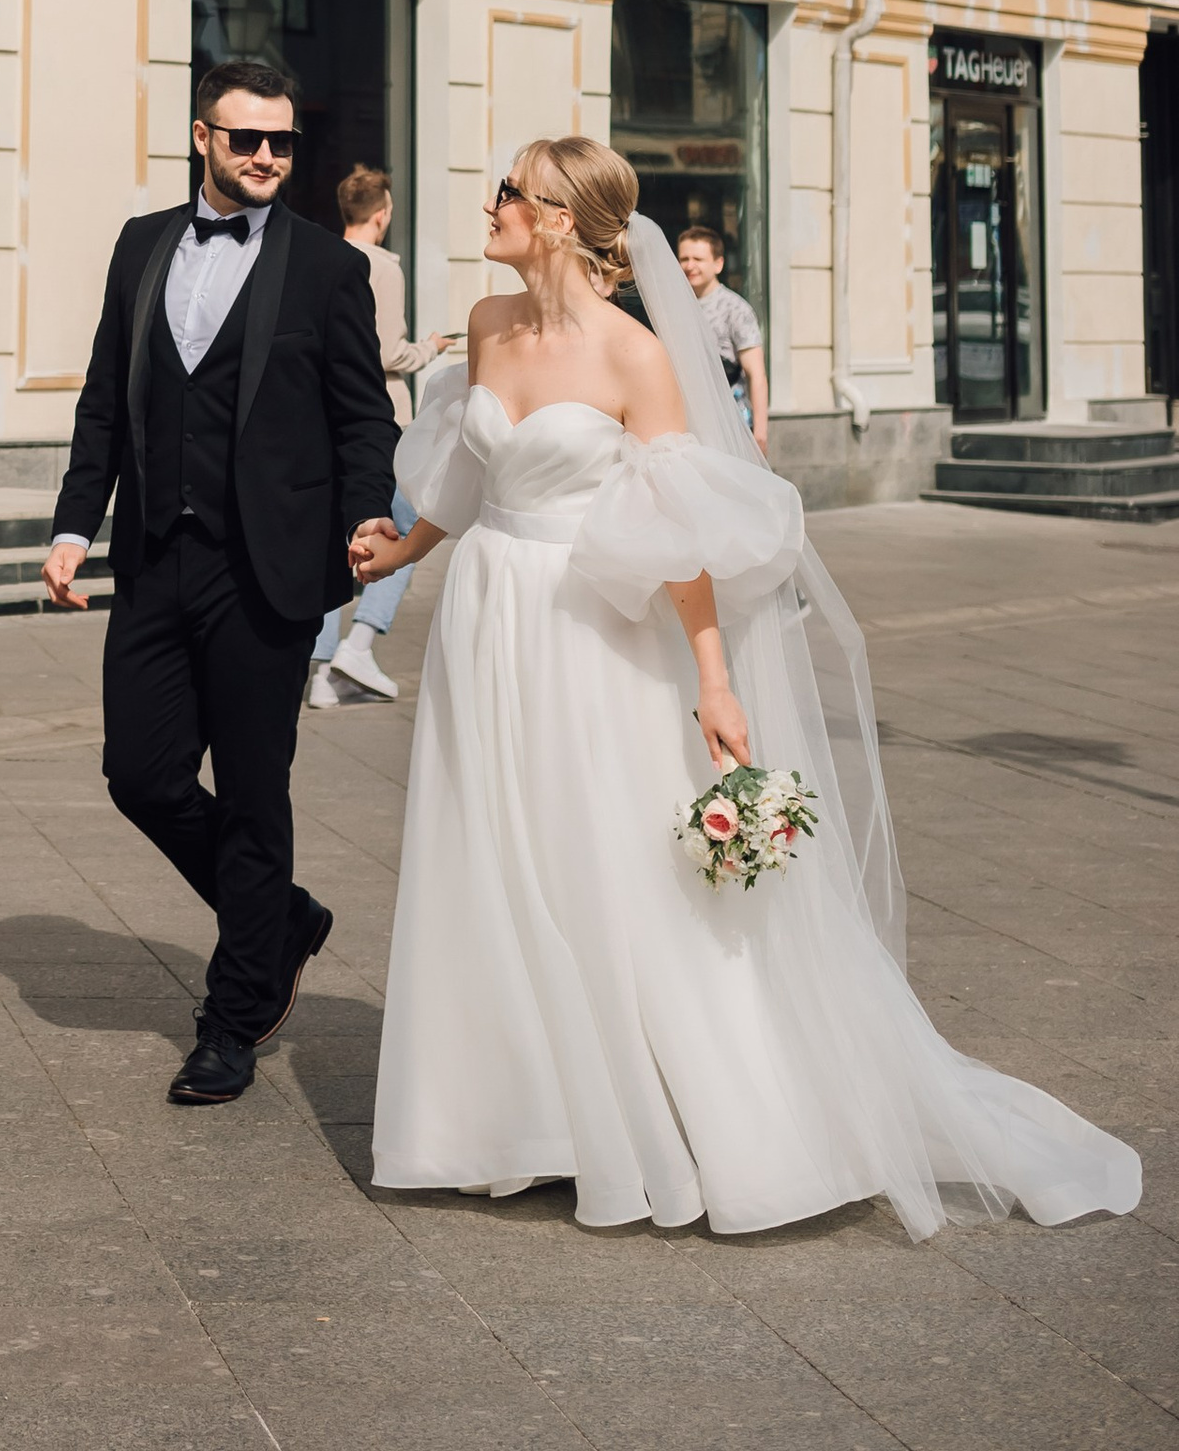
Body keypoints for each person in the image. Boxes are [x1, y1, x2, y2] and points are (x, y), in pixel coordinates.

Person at [348, 136, 1140, 1236]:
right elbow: (476, 467)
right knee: (492, 847)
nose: (487, 207)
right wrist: (408, 548)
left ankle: (682, 1107)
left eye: (507, 194)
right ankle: (517, 1114)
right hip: (485, 616)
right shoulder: (485, 324)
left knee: (600, 860)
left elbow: (681, 531)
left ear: (563, 219)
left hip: (589, 629)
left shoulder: (636, 358)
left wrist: (713, 682)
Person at [41, 54, 397, 1108]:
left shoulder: (329, 269)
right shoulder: (142, 244)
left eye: (281, 140)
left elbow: (360, 417)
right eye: (245, 137)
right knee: (140, 774)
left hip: (268, 571)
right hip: (156, 557)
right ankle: (277, 917)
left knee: (251, 796)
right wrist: (73, 524)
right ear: (202, 137)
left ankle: (232, 1016)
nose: (264, 156)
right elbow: (105, 397)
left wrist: (364, 513)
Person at [307, 167, 455, 707]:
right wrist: (433, 347)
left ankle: (321, 673)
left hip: (329, 416)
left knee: (336, 538)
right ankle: (362, 644)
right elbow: (388, 354)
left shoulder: (319, 255)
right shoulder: (380, 266)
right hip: (380, 416)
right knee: (403, 527)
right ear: (382, 214)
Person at [675, 220, 768, 451]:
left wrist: (760, 433)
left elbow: (756, 374)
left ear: (718, 264)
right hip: (687, 422)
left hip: (729, 422)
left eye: (698, 259)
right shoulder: (675, 306)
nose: (689, 265)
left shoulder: (736, 309)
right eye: (684, 259)